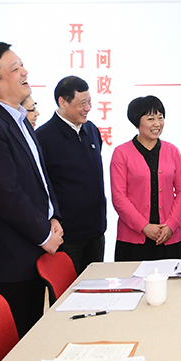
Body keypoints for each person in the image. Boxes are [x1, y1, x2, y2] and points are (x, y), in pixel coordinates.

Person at [0, 42, 62, 337]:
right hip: (13, 260)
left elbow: (41, 178)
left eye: (22, 65)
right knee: (18, 345)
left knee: (34, 334)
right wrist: (44, 234)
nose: (25, 72)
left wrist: (54, 216)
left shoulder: (21, 119)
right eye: (15, 68)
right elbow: (4, 193)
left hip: (34, 251)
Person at [36, 76, 107, 273]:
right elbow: (41, 187)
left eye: (90, 101)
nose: (88, 108)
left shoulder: (91, 130)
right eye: (82, 103)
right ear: (63, 102)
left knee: (96, 284)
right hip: (67, 236)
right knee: (68, 288)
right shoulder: (44, 137)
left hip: (96, 231)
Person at [111, 96, 181, 261]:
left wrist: (170, 226)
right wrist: (144, 226)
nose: (157, 124)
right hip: (133, 240)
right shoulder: (121, 153)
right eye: (151, 119)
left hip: (170, 237)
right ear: (136, 122)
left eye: (160, 117)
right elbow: (119, 197)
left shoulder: (173, 151)